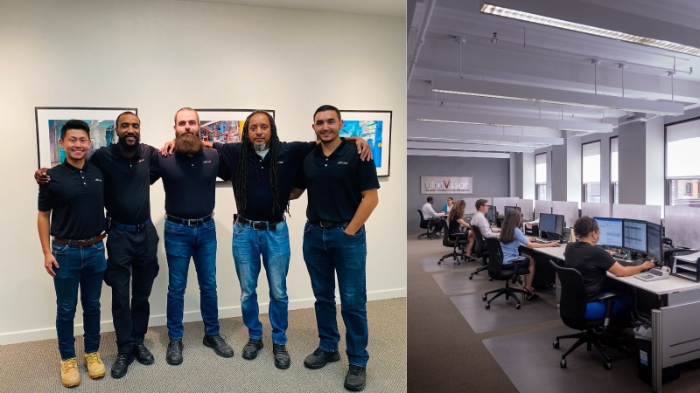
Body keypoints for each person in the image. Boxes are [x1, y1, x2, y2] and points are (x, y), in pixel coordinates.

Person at [160, 111, 371, 369]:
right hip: (244, 232)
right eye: (253, 128)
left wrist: (356, 139)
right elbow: (207, 143)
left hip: (276, 232)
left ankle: (279, 341)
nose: (259, 132)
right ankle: (255, 337)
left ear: (272, 129)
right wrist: (176, 139)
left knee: (279, 292)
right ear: (246, 132)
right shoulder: (235, 152)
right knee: (248, 291)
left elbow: (324, 140)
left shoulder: (290, 151)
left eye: (264, 127)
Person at [36, 112, 162, 379]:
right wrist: (42, 173)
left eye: (135, 125)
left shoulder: (150, 154)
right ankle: (124, 349)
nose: (130, 129)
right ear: (116, 130)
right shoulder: (102, 157)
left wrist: (182, 143)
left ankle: (138, 341)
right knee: (118, 295)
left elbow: (175, 161)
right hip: (116, 236)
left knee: (140, 294)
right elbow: (68, 172)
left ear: (140, 129)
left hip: (146, 234)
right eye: (125, 125)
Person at [291, 105, 379, 392]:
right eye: (320, 122)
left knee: (353, 301)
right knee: (323, 297)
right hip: (314, 234)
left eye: (331, 121)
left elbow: (370, 199)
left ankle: (357, 361)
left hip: (347, 236)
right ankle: (329, 347)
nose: (325, 126)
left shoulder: (359, 154)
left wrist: (349, 231)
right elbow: (296, 191)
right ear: (313, 127)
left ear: (341, 124)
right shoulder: (309, 157)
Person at [157, 107, 234, 365]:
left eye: (192, 122)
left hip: (206, 230)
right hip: (176, 230)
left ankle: (212, 334)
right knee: (176, 288)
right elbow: (134, 175)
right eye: (182, 123)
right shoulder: (164, 157)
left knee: (209, 286)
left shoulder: (213, 155)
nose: (187, 126)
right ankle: (175, 339)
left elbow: (242, 158)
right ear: (175, 128)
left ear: (199, 127)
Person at [37, 120, 107, 387]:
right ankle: (67, 358)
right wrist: (46, 252)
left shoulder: (99, 173)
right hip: (64, 251)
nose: (78, 145)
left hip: (95, 249)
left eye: (83, 140)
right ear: (62, 143)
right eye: (72, 140)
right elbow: (43, 216)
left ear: (89, 143)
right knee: (66, 309)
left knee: (92, 307)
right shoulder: (51, 177)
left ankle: (92, 353)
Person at [564, 216, 654, 319]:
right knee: (630, 300)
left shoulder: (570, 247)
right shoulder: (597, 252)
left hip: (571, 304)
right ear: (593, 234)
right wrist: (642, 266)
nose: (599, 235)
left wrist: (604, 256)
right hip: (588, 307)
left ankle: (609, 326)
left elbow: (585, 257)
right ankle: (618, 328)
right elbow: (622, 272)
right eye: (599, 233)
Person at [499, 209, 560, 300]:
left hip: (502, 260)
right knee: (531, 261)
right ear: (517, 219)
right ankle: (528, 287)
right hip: (510, 262)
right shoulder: (516, 230)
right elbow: (530, 246)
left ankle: (526, 285)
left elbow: (513, 242)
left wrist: (525, 240)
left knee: (526, 258)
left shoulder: (505, 229)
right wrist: (549, 244)